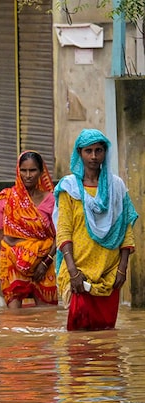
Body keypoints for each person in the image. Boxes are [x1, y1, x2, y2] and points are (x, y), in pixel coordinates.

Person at [53, 128, 138, 331]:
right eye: (88, 151)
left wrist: (122, 268)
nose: (93, 156)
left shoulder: (116, 187)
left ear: (104, 153)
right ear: (79, 153)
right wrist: (73, 271)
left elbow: (126, 228)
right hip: (78, 270)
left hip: (109, 270)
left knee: (107, 334)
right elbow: (63, 230)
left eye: (98, 150)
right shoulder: (69, 187)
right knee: (77, 334)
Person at [0, 150, 58, 308]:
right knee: (14, 320)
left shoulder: (51, 199)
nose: (28, 175)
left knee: (47, 317)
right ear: (18, 171)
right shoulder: (6, 197)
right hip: (11, 261)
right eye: (23, 170)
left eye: (33, 170)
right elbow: (0, 232)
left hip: (42, 262)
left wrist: (45, 263)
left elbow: (60, 235)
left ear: (41, 172)